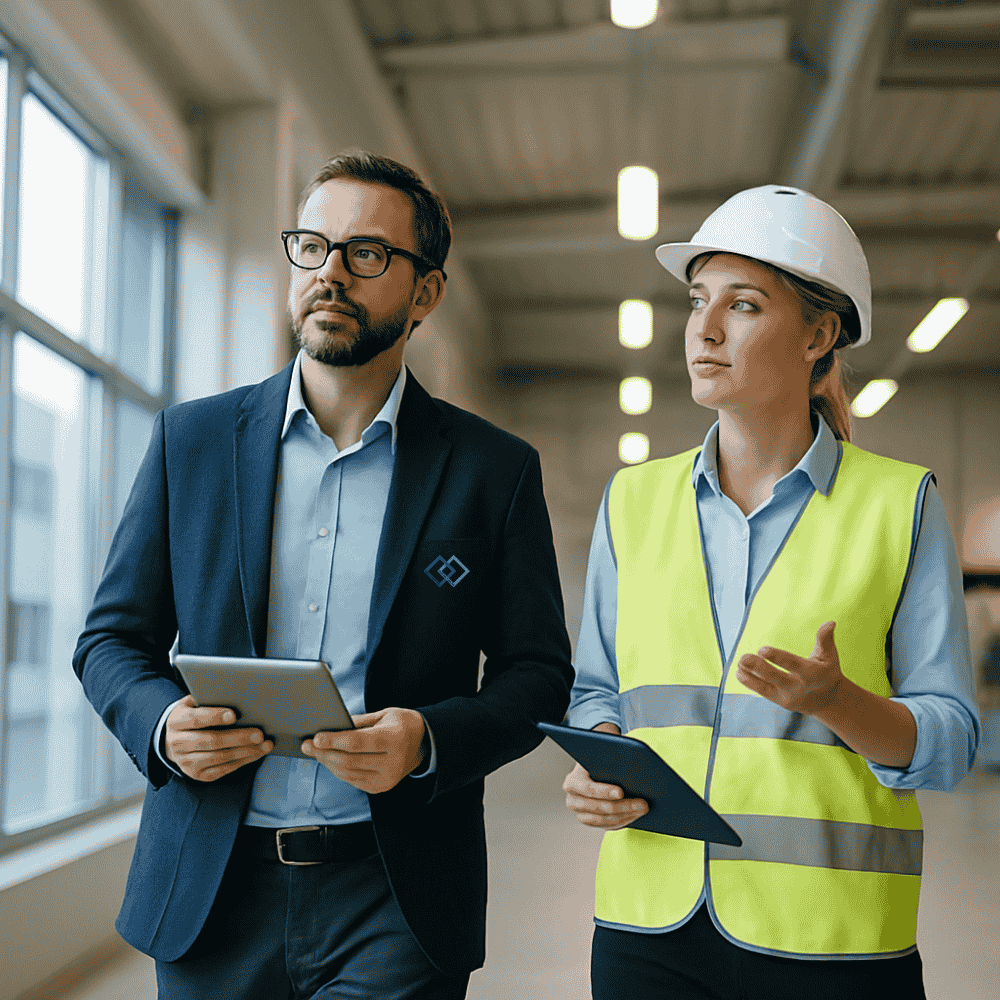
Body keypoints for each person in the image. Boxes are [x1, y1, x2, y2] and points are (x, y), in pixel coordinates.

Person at [73, 150, 574, 999]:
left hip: (397, 896)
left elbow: (539, 678)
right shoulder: (190, 444)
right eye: (313, 246)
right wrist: (162, 725)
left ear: (426, 293)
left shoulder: (493, 471)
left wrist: (428, 741)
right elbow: (111, 639)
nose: (331, 274)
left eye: (367, 254)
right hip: (211, 890)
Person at [562, 185, 980, 999]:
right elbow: (595, 689)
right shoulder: (633, 500)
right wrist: (598, 757)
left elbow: (952, 740)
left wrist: (839, 702)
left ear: (819, 334)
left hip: (832, 939)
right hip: (648, 926)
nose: (705, 330)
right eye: (697, 301)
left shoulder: (900, 504)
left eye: (743, 305)